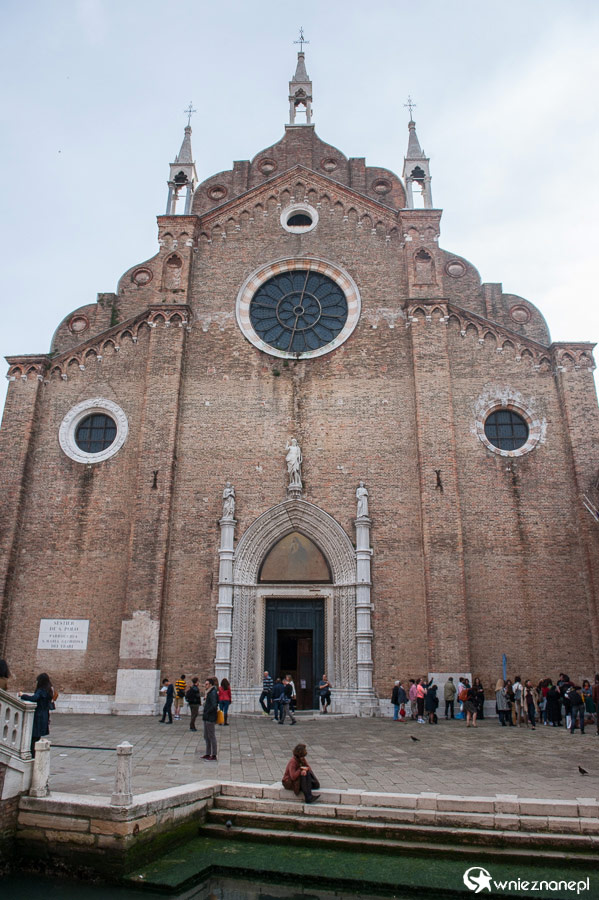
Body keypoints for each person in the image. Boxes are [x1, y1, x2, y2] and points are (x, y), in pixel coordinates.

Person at [19, 673, 53, 756]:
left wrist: (23, 695)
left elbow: (34, 698)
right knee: (37, 737)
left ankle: (32, 755)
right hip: (45, 715)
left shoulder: (41, 690)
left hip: (38, 715)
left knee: (33, 737)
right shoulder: (49, 690)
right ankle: (35, 754)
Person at [202, 678, 218, 760]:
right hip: (206, 716)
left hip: (210, 717)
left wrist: (208, 711)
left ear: (211, 685)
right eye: (205, 684)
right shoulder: (208, 693)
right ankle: (208, 753)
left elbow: (214, 705)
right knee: (206, 735)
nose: (205, 685)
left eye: (207, 684)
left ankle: (214, 754)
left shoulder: (213, 693)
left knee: (211, 736)